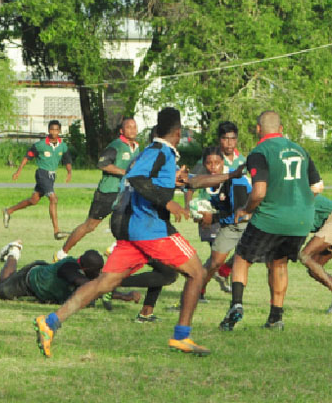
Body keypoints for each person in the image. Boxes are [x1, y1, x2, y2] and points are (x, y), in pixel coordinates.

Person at [32, 107, 211, 358]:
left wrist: (232, 174)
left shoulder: (155, 151)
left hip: (135, 231)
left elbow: (161, 179)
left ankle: (50, 322)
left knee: (104, 283)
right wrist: (167, 201)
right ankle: (181, 336)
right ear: (178, 132)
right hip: (150, 229)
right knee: (197, 272)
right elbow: (137, 178)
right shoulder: (159, 151)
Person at [219, 111, 323, 331]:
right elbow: (317, 187)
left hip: (272, 216)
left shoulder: (260, 152)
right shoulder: (300, 150)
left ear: (258, 129)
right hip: (301, 219)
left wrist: (246, 210)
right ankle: (276, 317)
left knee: (241, 257)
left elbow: (258, 192)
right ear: (281, 128)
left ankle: (236, 305)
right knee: (279, 262)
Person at [53, 118, 140, 261]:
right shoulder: (116, 145)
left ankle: (114, 248)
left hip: (124, 192)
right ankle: (62, 252)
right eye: (129, 127)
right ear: (121, 131)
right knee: (90, 225)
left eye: (134, 127)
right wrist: (124, 172)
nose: (133, 130)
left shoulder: (136, 147)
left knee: (132, 219)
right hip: (108, 192)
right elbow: (102, 164)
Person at [183, 121, 246, 295]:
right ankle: (199, 290)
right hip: (210, 212)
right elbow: (191, 183)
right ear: (220, 140)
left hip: (233, 213)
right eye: (225, 139)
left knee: (246, 249)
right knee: (216, 257)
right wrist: (188, 207)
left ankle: (222, 272)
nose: (229, 143)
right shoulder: (210, 159)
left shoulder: (242, 161)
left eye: (232, 139)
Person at [191, 147, 251, 304]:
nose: (213, 167)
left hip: (251, 223)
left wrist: (214, 217)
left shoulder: (235, 180)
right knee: (214, 261)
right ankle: (197, 292)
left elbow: (240, 211)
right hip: (230, 224)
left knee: (253, 256)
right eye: (209, 163)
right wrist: (200, 214)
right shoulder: (209, 182)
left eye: (217, 163)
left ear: (222, 163)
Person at [0, 240, 141, 305]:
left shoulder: (83, 270)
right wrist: (124, 296)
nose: (98, 273)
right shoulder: (69, 269)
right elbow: (90, 286)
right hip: (29, 279)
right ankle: (14, 250)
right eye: (96, 271)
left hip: (46, 282)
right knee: (3, 290)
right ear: (85, 269)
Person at [3, 120, 72, 240]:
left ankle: (9, 211)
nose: (54, 132)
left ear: (59, 131)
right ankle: (57, 231)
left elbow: (67, 160)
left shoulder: (63, 145)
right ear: (48, 130)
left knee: (34, 200)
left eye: (56, 130)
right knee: (53, 198)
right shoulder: (40, 145)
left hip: (51, 176)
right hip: (42, 173)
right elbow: (27, 157)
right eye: (51, 129)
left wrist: (69, 172)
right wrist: (18, 171)